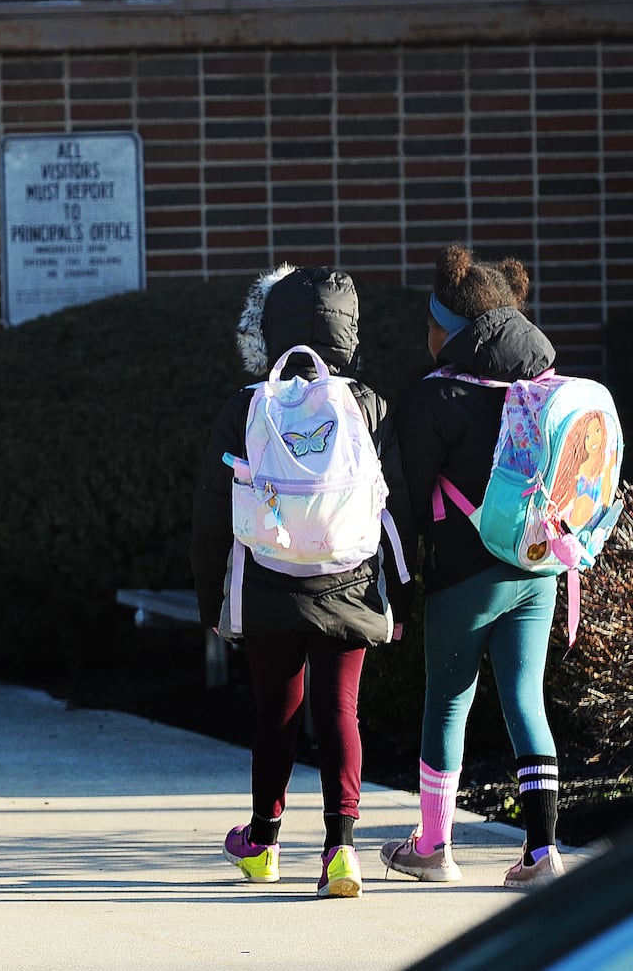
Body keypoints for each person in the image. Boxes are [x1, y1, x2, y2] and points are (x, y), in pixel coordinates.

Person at [191, 265, 412, 899]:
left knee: (275, 712)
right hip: (349, 577)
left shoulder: (247, 406)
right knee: (341, 708)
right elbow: (394, 506)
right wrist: (399, 590)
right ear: (348, 331)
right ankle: (341, 851)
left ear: (270, 328)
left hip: (267, 579)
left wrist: (214, 599)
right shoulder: (366, 404)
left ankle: (263, 841)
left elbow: (212, 512)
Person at [381, 243, 568, 889]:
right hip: (537, 565)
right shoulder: (542, 382)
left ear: (449, 329)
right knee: (525, 699)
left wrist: (399, 581)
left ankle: (435, 847)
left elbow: (407, 494)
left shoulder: (433, 398)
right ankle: (542, 853)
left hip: (466, 573)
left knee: (448, 701)